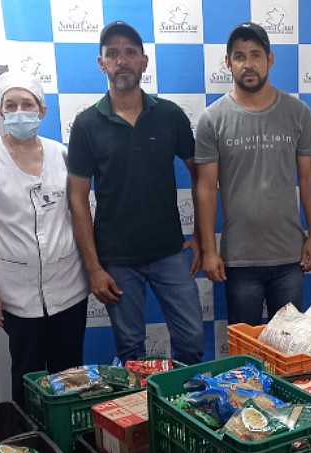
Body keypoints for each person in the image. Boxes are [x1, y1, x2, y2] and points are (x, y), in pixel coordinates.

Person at [67, 21, 204, 365]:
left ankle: (185, 413)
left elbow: (201, 176)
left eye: (130, 52)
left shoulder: (170, 115)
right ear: (101, 63)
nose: (121, 60)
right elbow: (77, 200)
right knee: (131, 353)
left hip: (170, 252)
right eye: (112, 53)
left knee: (191, 341)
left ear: (144, 61)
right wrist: (94, 267)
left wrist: (202, 236)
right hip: (116, 260)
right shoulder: (86, 125)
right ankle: (143, 417)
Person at [0, 71, 89, 406]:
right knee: (27, 375)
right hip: (17, 294)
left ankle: (70, 444)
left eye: (27, 104)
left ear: (42, 111)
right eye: (11, 105)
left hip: (69, 288)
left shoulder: (62, 154)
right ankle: (31, 445)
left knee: (71, 375)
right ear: (1, 111)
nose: (19, 111)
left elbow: (81, 214)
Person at [195, 22, 311, 325]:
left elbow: (307, 177)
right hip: (239, 260)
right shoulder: (212, 119)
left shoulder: (297, 112)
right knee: (243, 359)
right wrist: (209, 250)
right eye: (239, 56)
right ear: (228, 63)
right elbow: (206, 187)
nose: (248, 64)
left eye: (255, 55)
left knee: (289, 348)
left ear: (270, 59)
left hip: (289, 257)